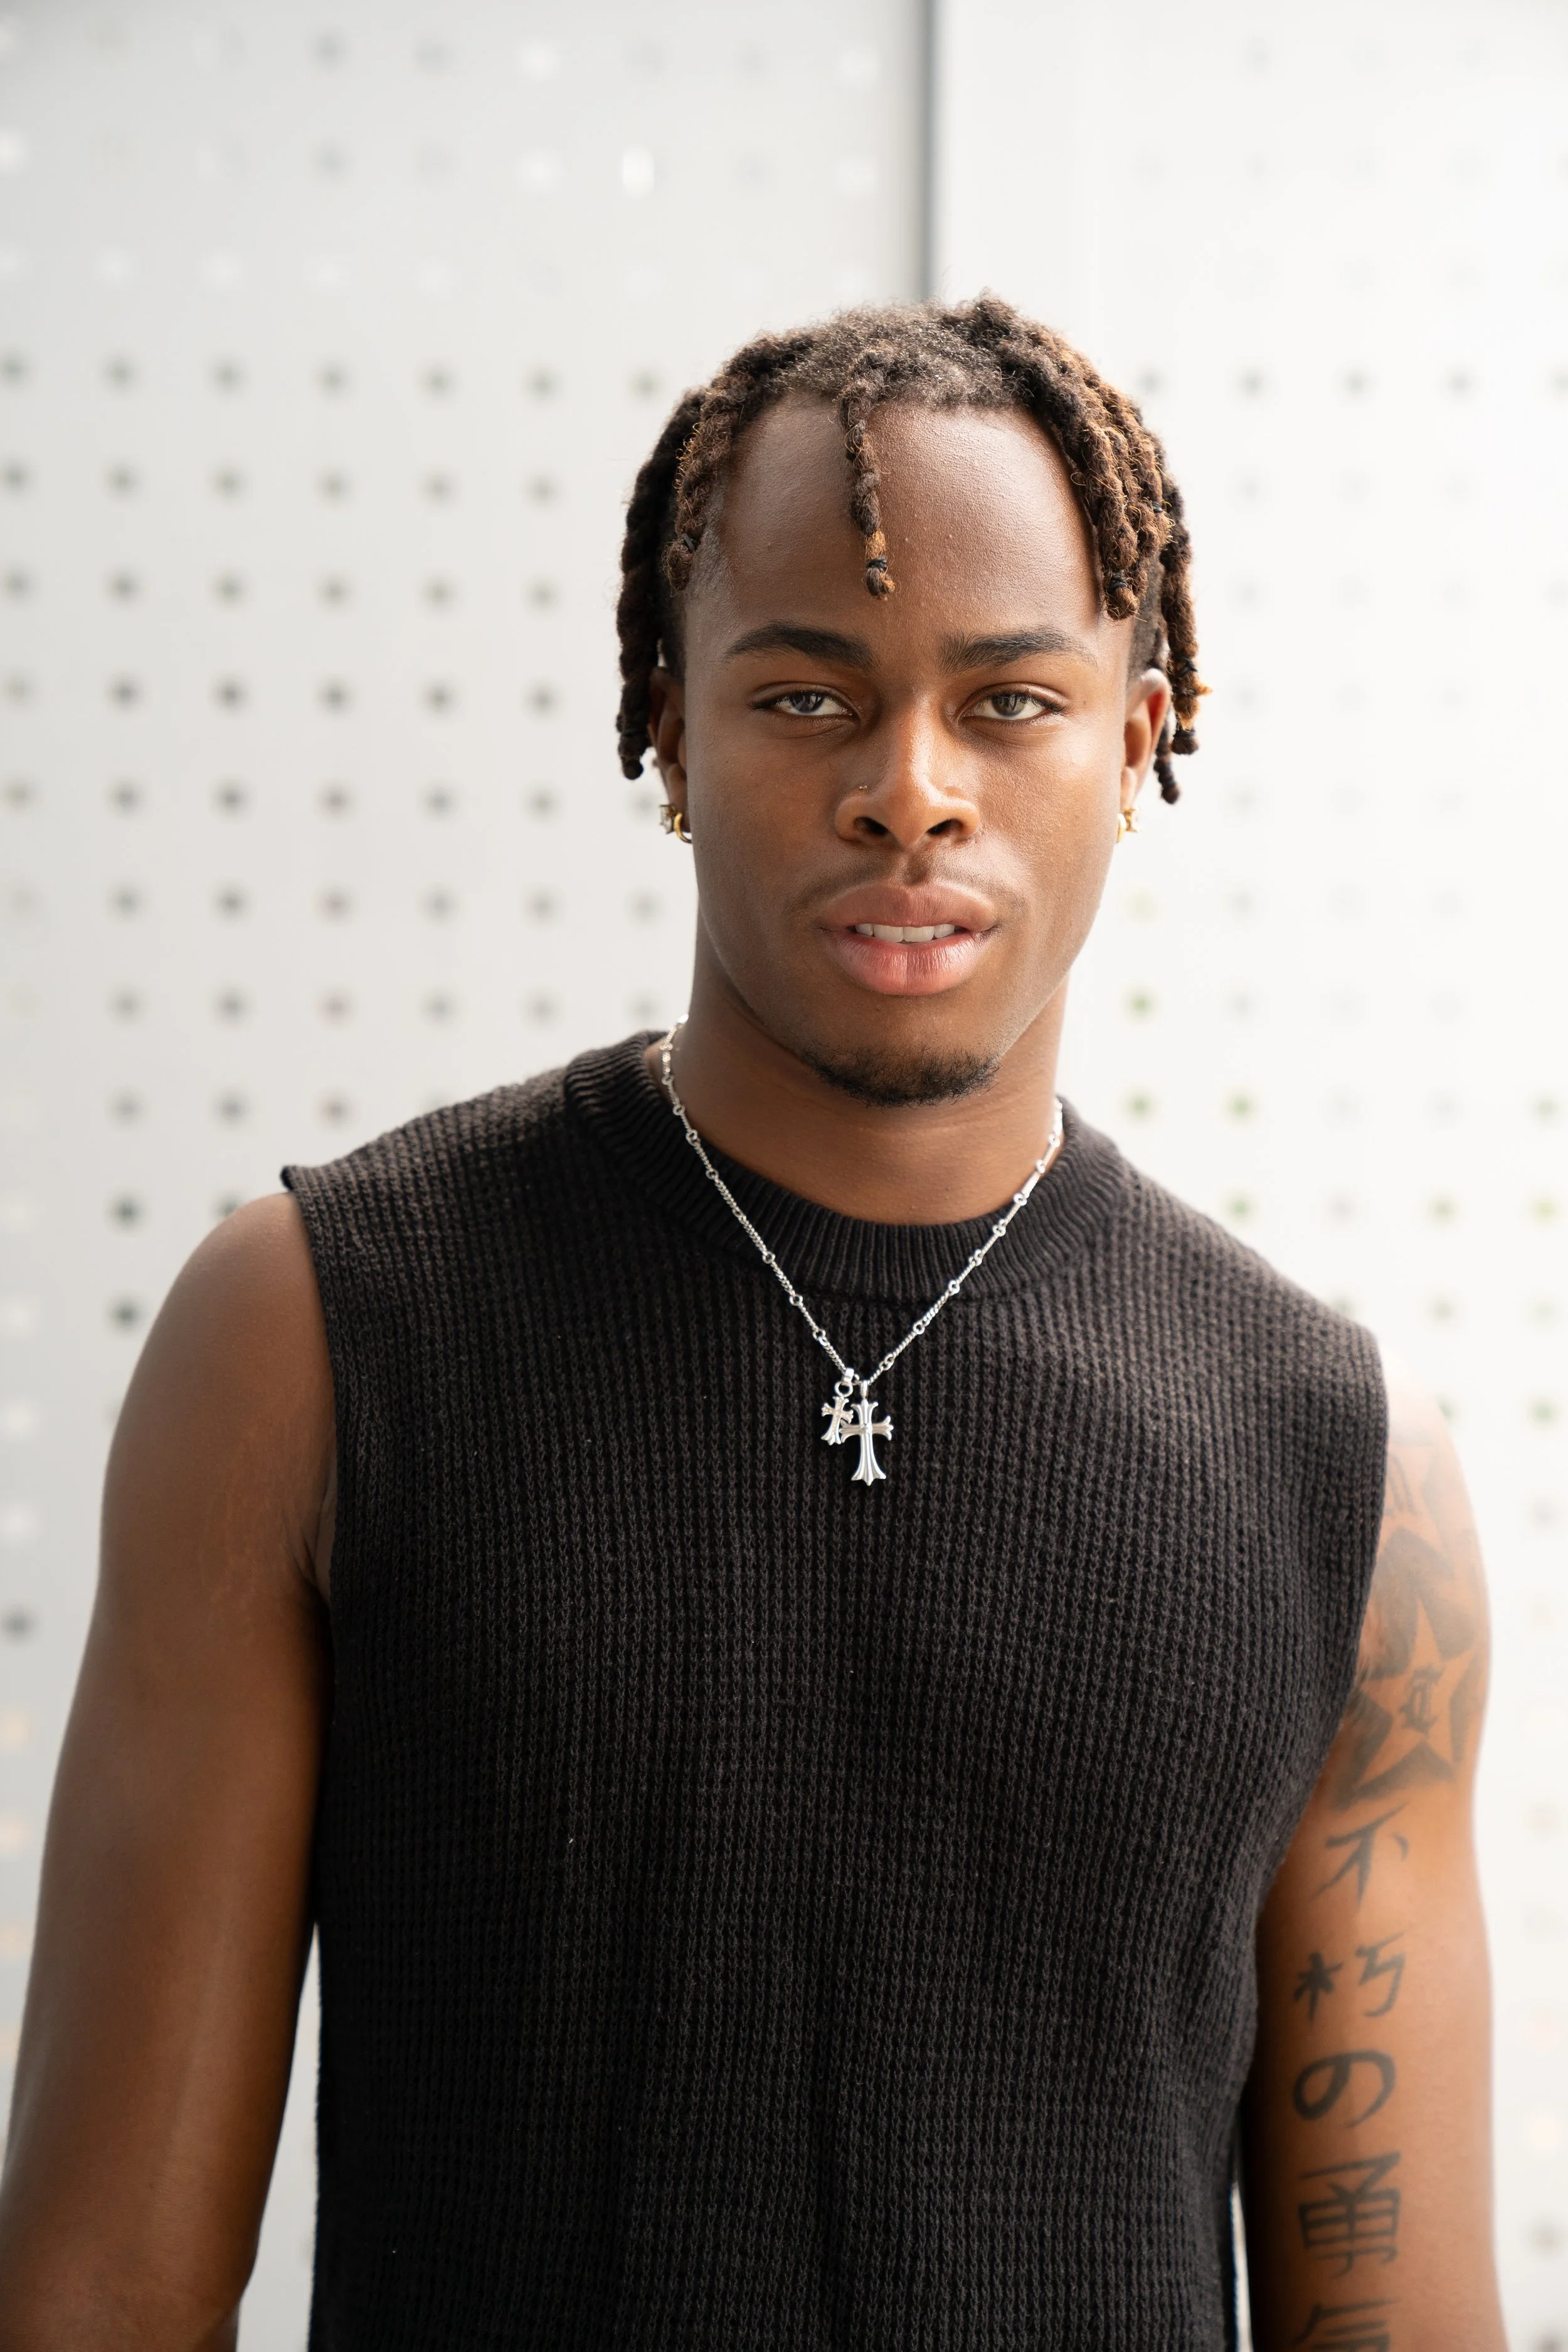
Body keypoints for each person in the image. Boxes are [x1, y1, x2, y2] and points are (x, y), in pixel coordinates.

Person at [0, 297, 1504, 2351]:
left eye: (1008, 702)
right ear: (666, 722)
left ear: (1137, 738)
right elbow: (96, 2287)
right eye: (805, 697)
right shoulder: (316, 1338)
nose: (910, 791)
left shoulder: (1345, 1470)